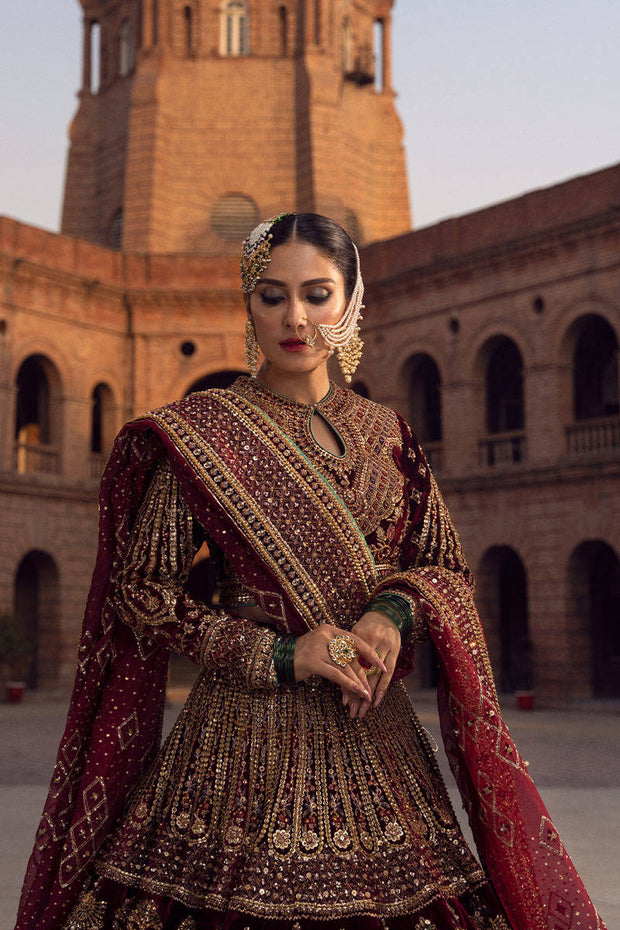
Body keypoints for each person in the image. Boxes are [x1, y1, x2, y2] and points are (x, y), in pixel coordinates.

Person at [15, 213, 605, 930]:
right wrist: (282, 653)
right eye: (271, 295)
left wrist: (392, 613)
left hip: (376, 734)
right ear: (248, 304)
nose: (295, 317)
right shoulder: (203, 431)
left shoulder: (387, 434)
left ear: (350, 301)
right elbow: (142, 594)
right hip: (239, 749)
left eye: (317, 294)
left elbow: (442, 563)